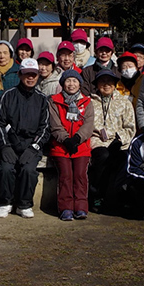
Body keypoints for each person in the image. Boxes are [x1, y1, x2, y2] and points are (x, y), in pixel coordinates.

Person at [0, 58, 50, 219]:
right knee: (5, 169)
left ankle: (24, 204)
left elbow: (45, 127)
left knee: (28, 170)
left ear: (38, 76)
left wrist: (34, 148)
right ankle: (5, 203)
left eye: (33, 74)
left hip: (31, 144)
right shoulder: (8, 95)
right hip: (10, 143)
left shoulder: (42, 99)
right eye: (27, 74)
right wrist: (4, 146)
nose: (30, 78)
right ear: (19, 75)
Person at [49, 70, 94, 221]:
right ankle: (66, 208)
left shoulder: (87, 102)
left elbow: (88, 125)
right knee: (66, 175)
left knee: (80, 175)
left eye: (75, 81)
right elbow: (55, 124)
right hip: (61, 147)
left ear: (80, 83)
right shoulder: (54, 101)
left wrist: (77, 138)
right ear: (62, 83)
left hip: (81, 146)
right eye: (68, 81)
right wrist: (66, 139)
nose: (71, 84)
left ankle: (81, 207)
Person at [89, 69, 135, 212]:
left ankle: (119, 198)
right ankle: (97, 195)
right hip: (97, 140)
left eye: (110, 81)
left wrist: (120, 138)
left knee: (122, 159)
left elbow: (130, 127)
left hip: (119, 141)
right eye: (102, 81)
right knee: (103, 157)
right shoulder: (89, 102)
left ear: (115, 84)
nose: (106, 84)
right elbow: (86, 125)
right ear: (97, 84)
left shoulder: (124, 103)